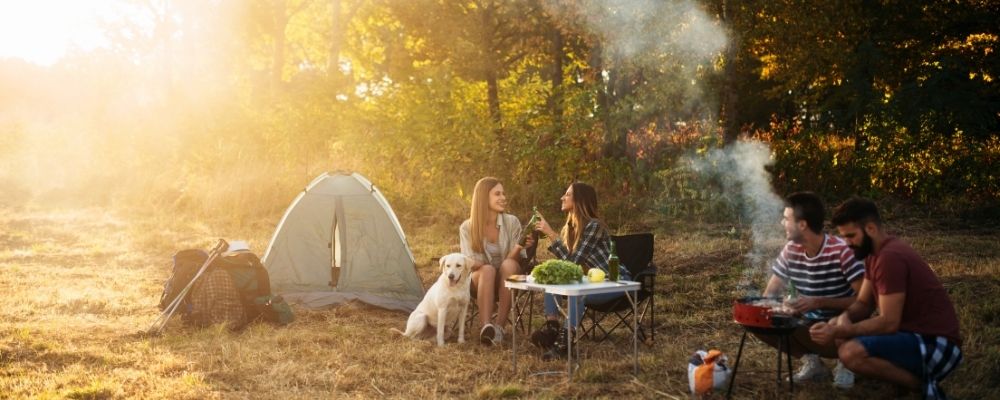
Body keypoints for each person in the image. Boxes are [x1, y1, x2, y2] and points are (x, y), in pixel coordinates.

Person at [811, 197, 962, 399]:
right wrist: (842, 318)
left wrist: (844, 329)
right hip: (914, 336)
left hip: (936, 345)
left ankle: (923, 388)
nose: (847, 243)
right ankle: (900, 386)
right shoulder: (874, 254)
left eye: (851, 236)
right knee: (842, 339)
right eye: (843, 237)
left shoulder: (890, 257)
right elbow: (863, 303)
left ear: (871, 228)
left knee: (850, 353)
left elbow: (889, 322)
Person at [759, 192, 865, 388]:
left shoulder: (842, 251)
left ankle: (846, 364)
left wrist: (819, 301)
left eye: (786, 218)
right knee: (760, 319)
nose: (782, 223)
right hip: (810, 325)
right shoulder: (791, 250)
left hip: (844, 326)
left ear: (802, 225)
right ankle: (812, 362)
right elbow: (769, 294)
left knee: (844, 320)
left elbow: (865, 301)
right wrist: (783, 306)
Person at [529, 182, 631, 359]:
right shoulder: (568, 229)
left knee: (578, 293)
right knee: (552, 283)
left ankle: (564, 343)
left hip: (616, 281)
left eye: (567, 194)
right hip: (591, 282)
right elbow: (569, 267)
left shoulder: (594, 226)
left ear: (579, 200)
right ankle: (552, 329)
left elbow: (574, 263)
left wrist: (551, 234)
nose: (562, 197)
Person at [459, 177, 531, 346]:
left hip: (508, 277)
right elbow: (469, 262)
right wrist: (486, 268)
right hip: (480, 280)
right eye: (497, 194)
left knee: (508, 265)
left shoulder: (512, 222)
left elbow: (517, 259)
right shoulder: (467, 227)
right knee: (487, 270)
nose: (503, 197)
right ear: (484, 197)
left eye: (503, 193)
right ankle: (486, 328)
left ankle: (499, 327)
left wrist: (519, 246)